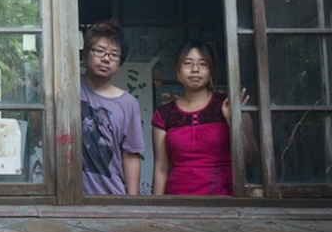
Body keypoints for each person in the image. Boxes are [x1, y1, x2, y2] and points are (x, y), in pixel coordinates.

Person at [151, 41, 258, 196]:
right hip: (177, 202)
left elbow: (249, 157)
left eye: (203, 64)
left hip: (226, 200)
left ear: (211, 71)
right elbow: (161, 168)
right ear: (178, 71)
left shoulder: (230, 105)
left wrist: (232, 121)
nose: (195, 69)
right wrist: (157, 210)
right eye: (188, 63)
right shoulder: (164, 114)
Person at [79, 19, 144, 195]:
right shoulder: (69, 88)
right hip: (68, 196)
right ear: (85, 55)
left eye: (114, 55)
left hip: (111, 196)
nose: (106, 58)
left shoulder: (128, 103)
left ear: (120, 64)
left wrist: (132, 202)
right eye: (99, 51)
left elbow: (130, 155)